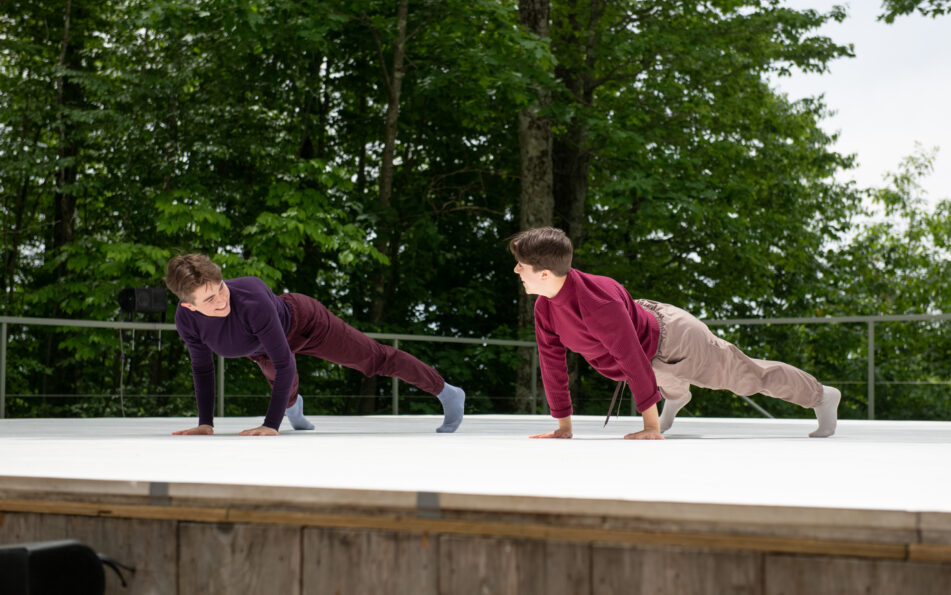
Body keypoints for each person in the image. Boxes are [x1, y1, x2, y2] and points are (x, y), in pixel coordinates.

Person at [509, 227, 841, 440]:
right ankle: (676, 396)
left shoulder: (598, 303)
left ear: (545, 273)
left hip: (678, 341)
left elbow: (632, 359)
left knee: (748, 377)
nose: (516, 270)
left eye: (521, 265)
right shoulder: (546, 307)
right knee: (657, 372)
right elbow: (553, 366)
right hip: (645, 344)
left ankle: (822, 395)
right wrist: (563, 427)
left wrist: (651, 428)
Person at [164, 253, 465, 436]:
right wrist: (205, 423)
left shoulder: (252, 299)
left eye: (221, 289)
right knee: (286, 387)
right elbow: (202, 369)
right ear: (189, 306)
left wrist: (271, 424)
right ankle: (295, 409)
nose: (221, 300)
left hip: (307, 323)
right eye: (209, 299)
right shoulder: (188, 321)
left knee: (374, 359)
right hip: (262, 349)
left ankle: (447, 392)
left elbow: (285, 362)